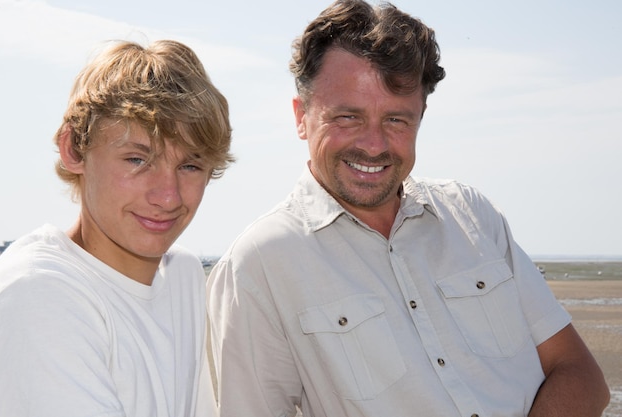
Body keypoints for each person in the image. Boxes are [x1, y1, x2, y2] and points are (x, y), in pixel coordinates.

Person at [205, 1, 610, 416]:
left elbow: (579, 372)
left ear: (421, 116)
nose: (375, 145)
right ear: (301, 117)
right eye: (347, 117)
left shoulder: (471, 214)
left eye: (397, 121)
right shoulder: (256, 266)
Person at [0, 39, 233, 417]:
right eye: (138, 159)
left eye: (190, 166)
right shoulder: (38, 293)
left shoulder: (182, 277)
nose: (168, 196)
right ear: (74, 149)